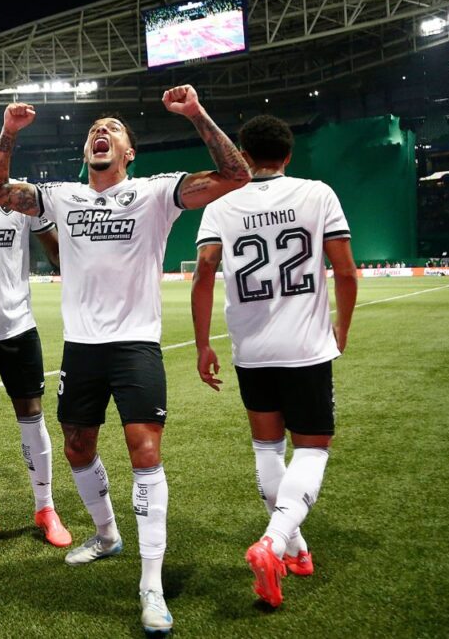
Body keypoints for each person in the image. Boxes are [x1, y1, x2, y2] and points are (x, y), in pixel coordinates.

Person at [0, 87, 252, 635]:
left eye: (113, 129)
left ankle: (150, 584)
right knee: (79, 445)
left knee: (144, 450)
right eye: (93, 131)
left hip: (135, 345)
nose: (99, 133)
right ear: (87, 152)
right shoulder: (61, 197)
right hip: (80, 347)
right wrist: (9, 132)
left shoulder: (155, 193)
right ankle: (106, 535)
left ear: (129, 152)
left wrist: (196, 113)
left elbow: (236, 175)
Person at [191, 114, 358, 608]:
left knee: (267, 448)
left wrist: (203, 344)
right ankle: (274, 540)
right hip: (306, 348)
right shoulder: (317, 194)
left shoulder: (222, 201)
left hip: (252, 351)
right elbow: (344, 270)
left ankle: (296, 549)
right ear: (287, 155)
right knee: (312, 449)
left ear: (241, 153)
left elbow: (204, 272)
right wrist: (342, 328)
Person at [0, 123, 70, 547]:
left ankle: (46, 507)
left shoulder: (20, 199)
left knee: (32, 416)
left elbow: (56, 251)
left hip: (17, 326)